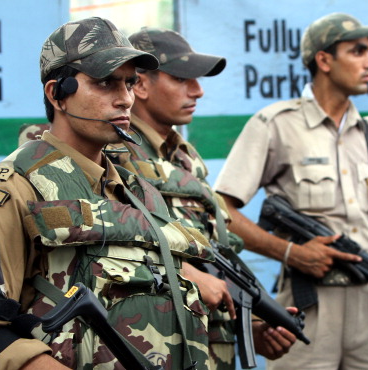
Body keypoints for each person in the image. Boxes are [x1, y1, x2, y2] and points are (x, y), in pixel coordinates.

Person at [0, 17, 215, 370]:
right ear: (56, 94)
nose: (124, 100)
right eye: (105, 83)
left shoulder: (139, 192)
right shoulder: (16, 186)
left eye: (130, 83)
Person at [214, 13, 368, 369]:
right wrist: (291, 252)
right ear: (325, 60)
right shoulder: (276, 125)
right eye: (358, 51)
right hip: (311, 304)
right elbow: (221, 211)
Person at [113, 27, 296, 369]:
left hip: (204, 347)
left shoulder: (184, 158)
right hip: (147, 345)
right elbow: (112, 253)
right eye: (182, 78)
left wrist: (251, 327)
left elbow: (210, 258)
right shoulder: (111, 154)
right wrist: (189, 275)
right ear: (139, 84)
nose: (197, 90)